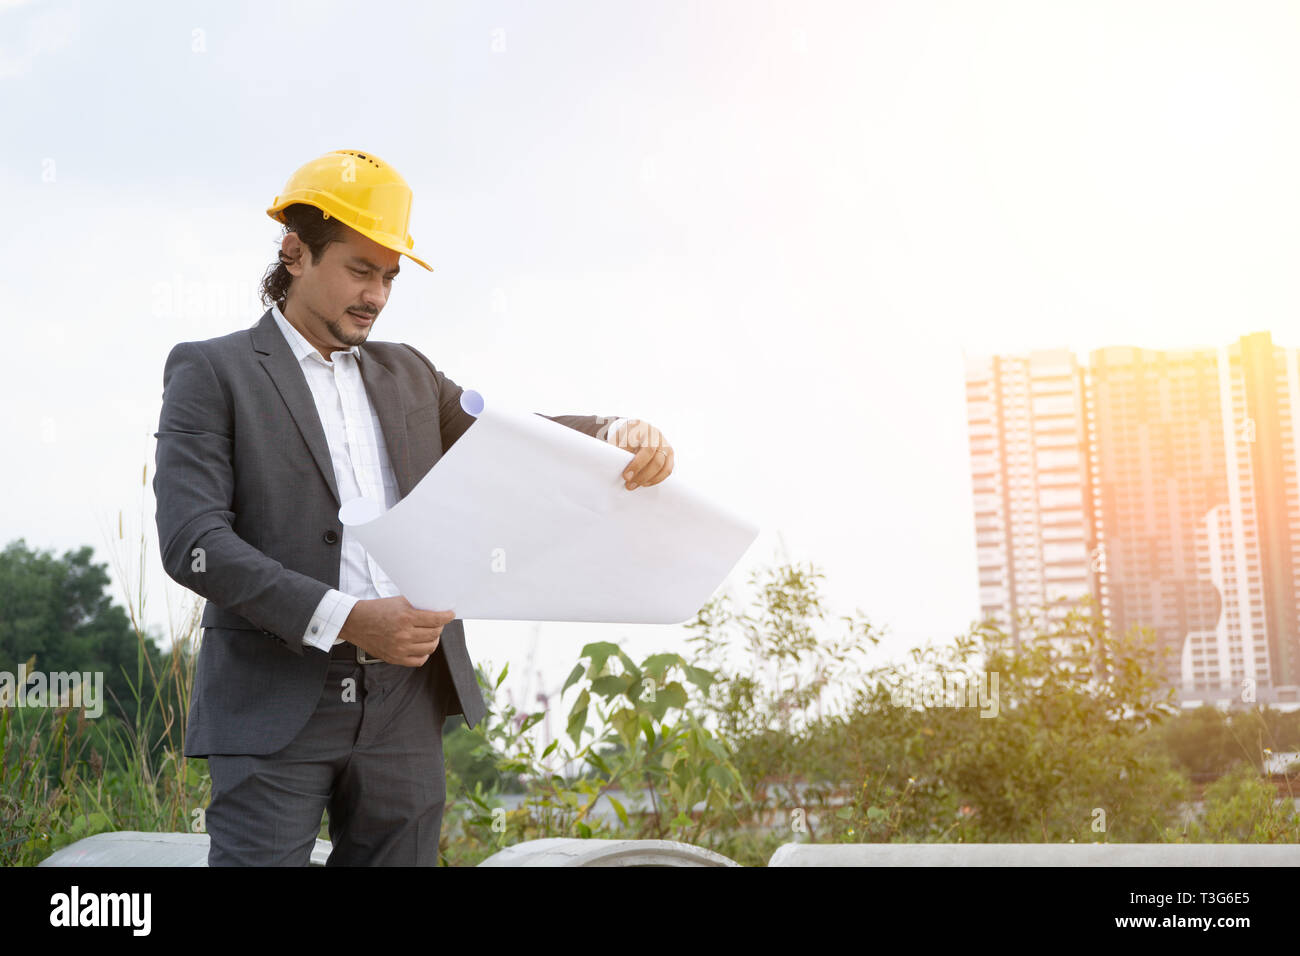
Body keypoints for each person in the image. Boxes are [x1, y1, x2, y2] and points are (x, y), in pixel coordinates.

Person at [152, 148, 674, 866]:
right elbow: (192, 539)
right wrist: (347, 619)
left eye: (390, 277)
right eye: (359, 270)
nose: (376, 295)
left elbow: (509, 438)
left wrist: (614, 434)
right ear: (295, 252)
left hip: (406, 700)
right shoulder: (212, 370)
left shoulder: (410, 374)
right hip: (274, 698)